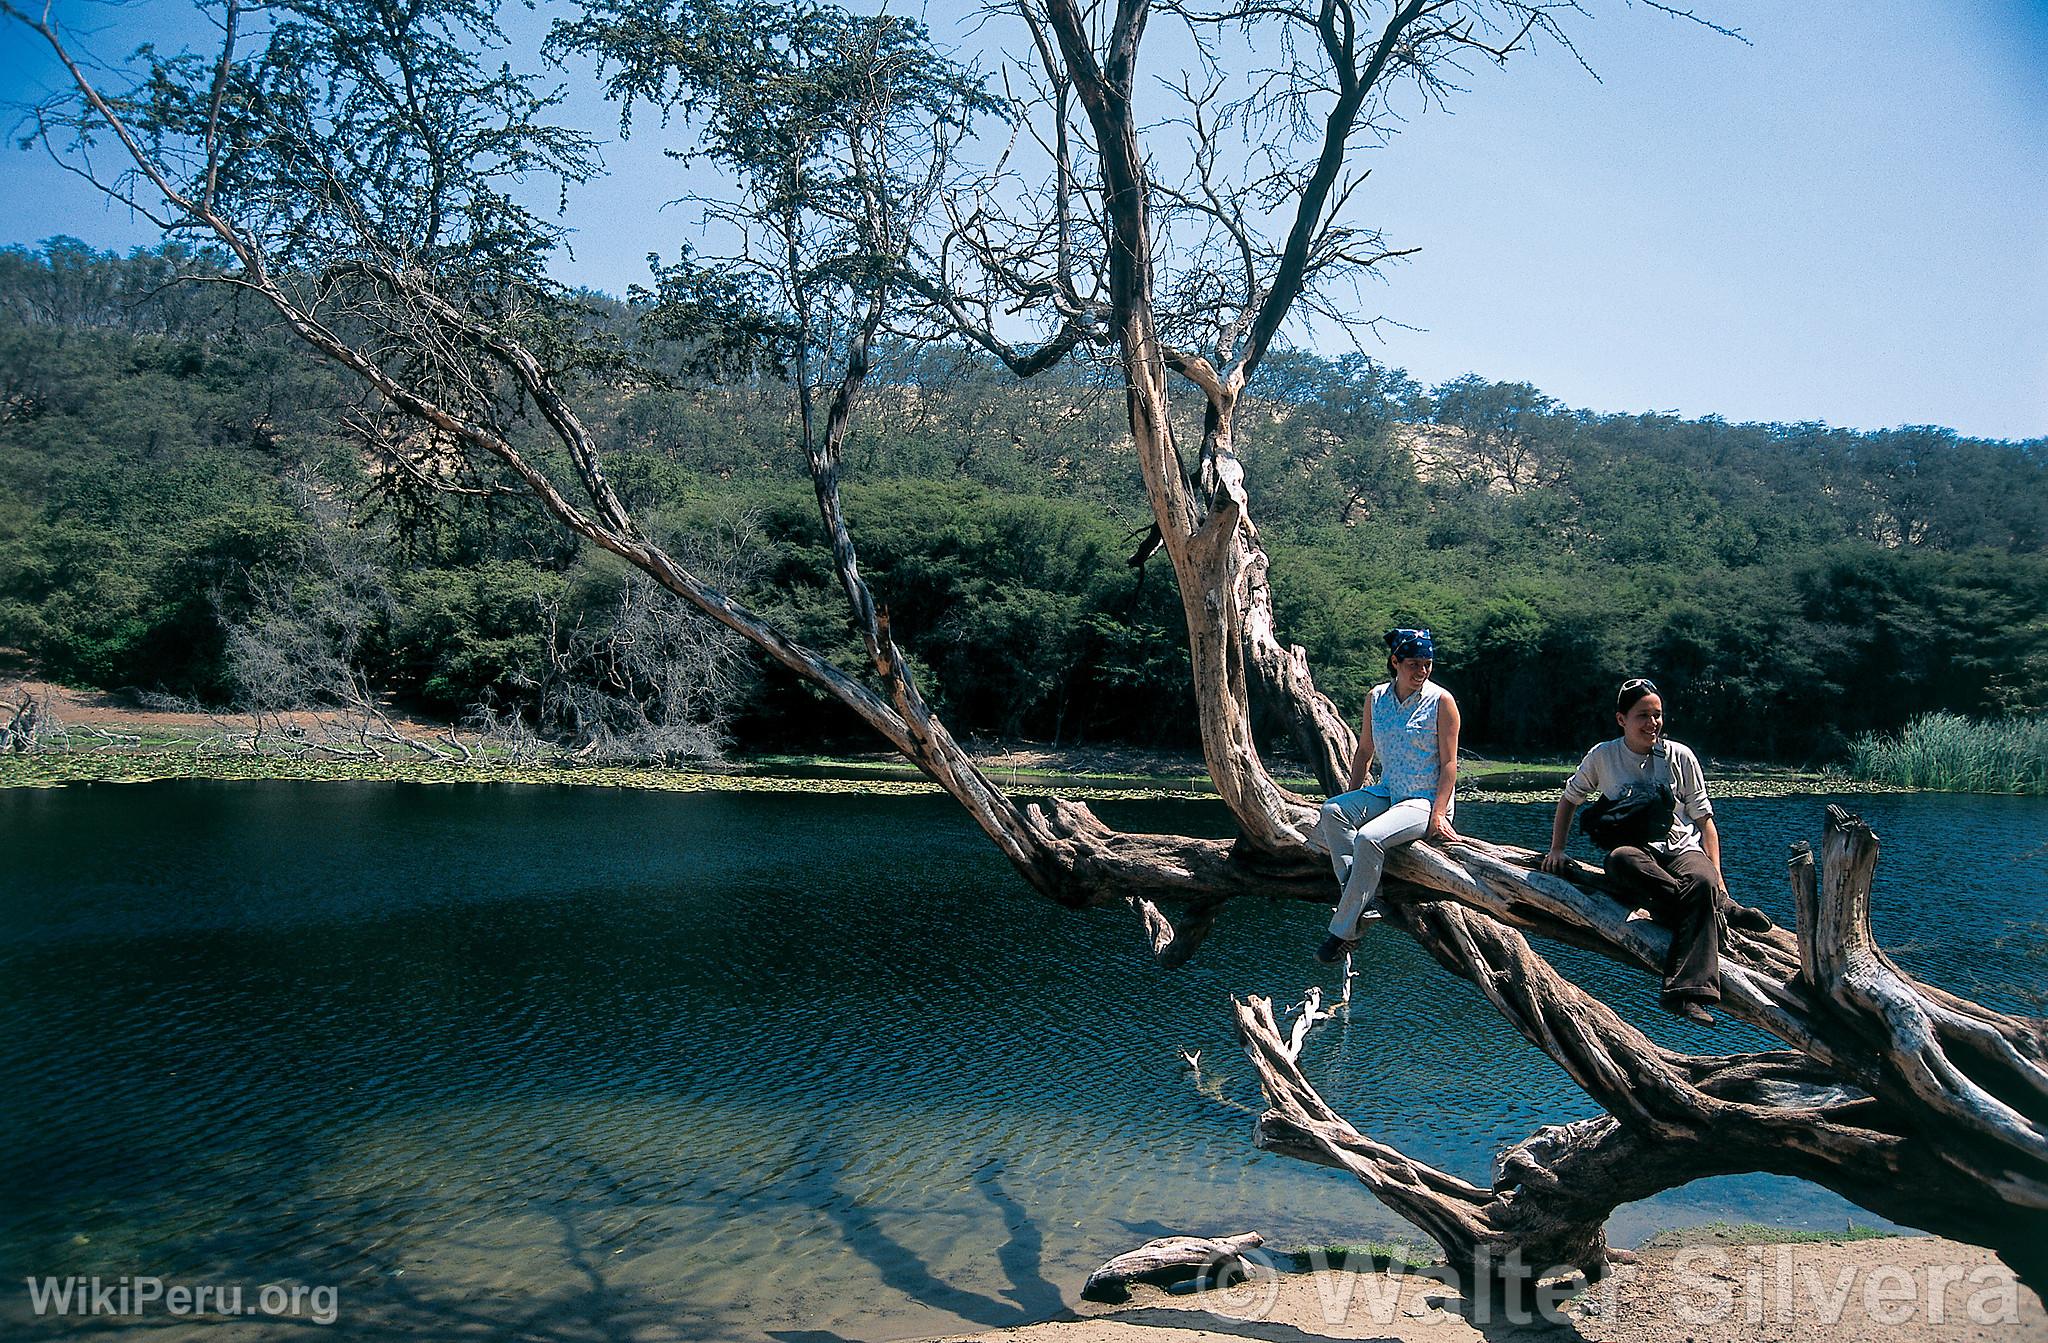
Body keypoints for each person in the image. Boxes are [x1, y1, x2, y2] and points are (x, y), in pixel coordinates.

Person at [1539, 678, 1772, 1025]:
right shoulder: (1603, 756)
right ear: (1622, 719)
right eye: (1643, 716)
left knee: (1703, 881)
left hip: (1681, 847)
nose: (1652, 723)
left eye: (1658, 715)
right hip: (1637, 852)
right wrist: (1556, 849)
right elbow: (1570, 799)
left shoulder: (1680, 756)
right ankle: (1716, 908)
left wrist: (1719, 879)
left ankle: (1687, 993)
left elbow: (1705, 820)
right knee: (1620, 862)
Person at [1312, 628, 1462, 964]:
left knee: (1369, 837)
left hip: (1423, 801)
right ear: (1395, 662)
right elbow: (1364, 751)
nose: (1421, 671)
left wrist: (1438, 814)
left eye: (1427, 664)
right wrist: (1352, 798)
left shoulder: (1441, 702)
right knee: (1332, 811)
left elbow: (1450, 764)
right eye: (1414, 664)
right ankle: (1367, 896)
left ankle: (1342, 932)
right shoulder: (1376, 698)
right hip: (1388, 790)